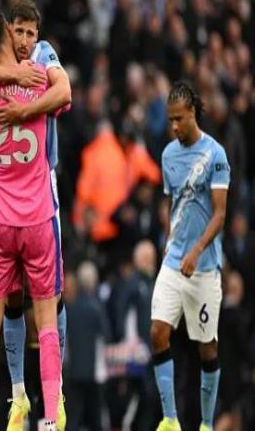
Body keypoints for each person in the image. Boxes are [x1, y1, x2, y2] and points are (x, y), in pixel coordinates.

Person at [0, 0, 71, 429]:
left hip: (23, 193)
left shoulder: (38, 58)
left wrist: (20, 107)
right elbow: (59, 92)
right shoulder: (33, 75)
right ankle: (21, 396)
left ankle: (45, 400)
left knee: (29, 305)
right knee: (27, 306)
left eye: (31, 32)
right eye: (19, 32)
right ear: (9, 32)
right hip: (27, 203)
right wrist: (20, 81)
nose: (26, 40)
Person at [150, 81, 230, 431]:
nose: (174, 126)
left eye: (179, 119)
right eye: (170, 120)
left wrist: (197, 250)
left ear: (193, 113)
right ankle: (170, 419)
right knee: (157, 333)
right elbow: (173, 203)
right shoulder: (168, 155)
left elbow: (220, 213)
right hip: (173, 263)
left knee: (206, 348)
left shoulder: (216, 155)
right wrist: (171, 242)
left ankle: (206, 424)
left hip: (204, 267)